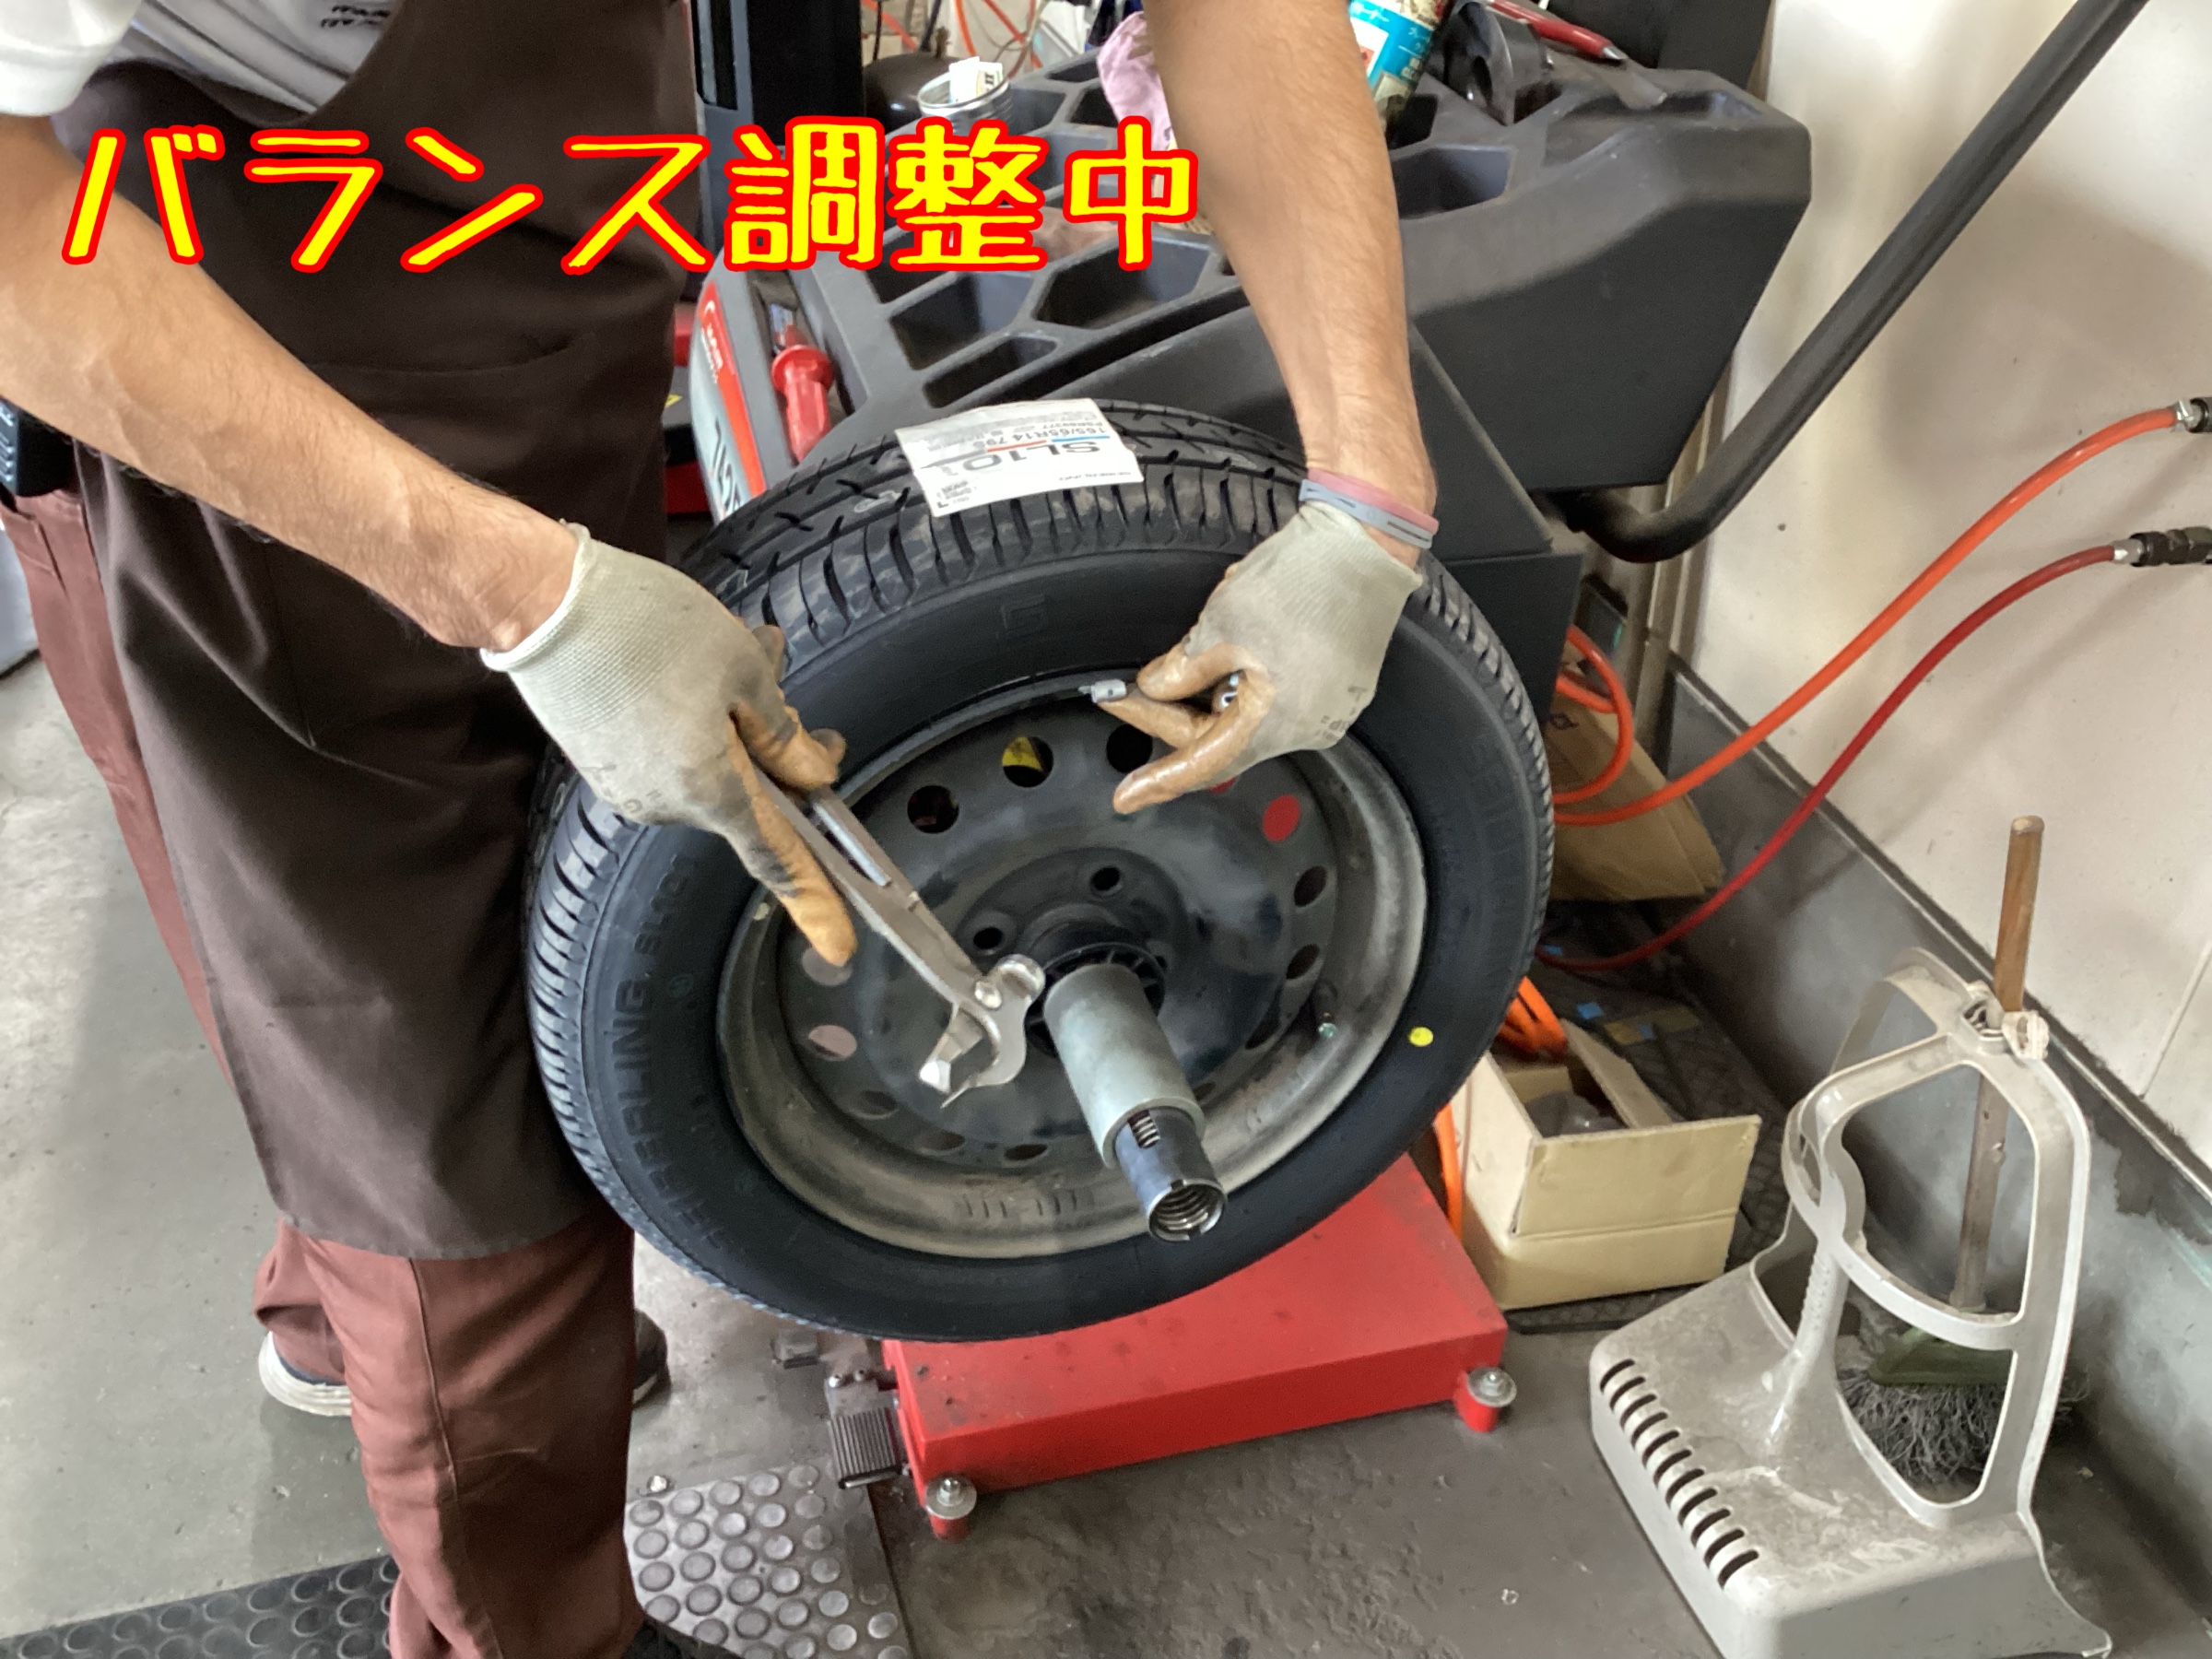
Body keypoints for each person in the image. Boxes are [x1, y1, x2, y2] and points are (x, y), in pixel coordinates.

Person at [0, 1, 1439, 1653]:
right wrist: (516, 595)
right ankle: (526, 1608)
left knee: (351, 988)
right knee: (442, 1122)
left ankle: (349, 1323)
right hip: (217, 385)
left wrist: (1370, 499)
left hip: (511, 313)